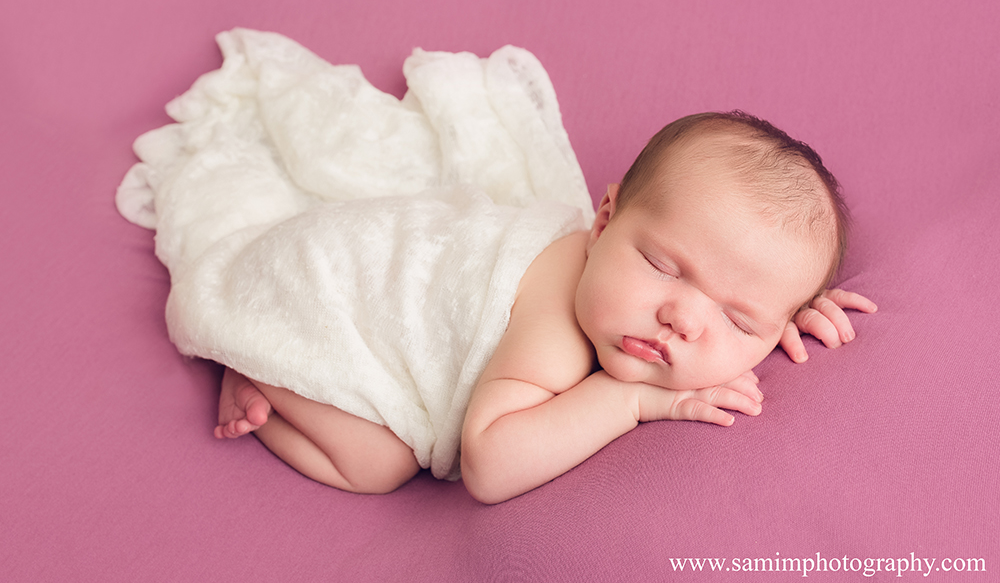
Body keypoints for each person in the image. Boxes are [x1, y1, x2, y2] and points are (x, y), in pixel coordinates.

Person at [214, 111, 877, 503]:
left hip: (349, 265)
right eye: (662, 266)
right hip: (323, 290)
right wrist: (632, 401)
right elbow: (488, 463)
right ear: (603, 220)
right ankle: (262, 364)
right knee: (377, 463)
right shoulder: (556, 325)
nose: (685, 318)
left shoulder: (701, 299)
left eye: (740, 318)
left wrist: (791, 307)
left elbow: (749, 274)